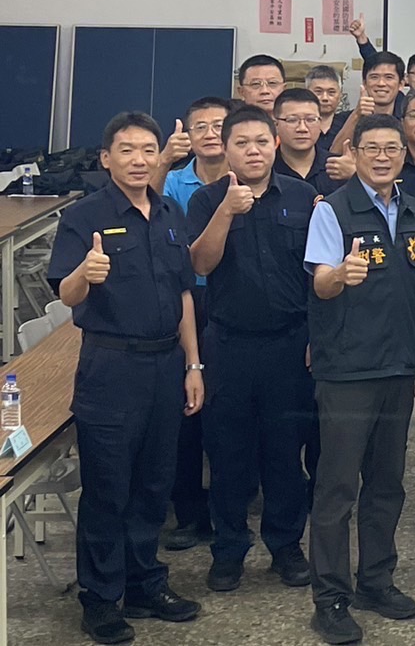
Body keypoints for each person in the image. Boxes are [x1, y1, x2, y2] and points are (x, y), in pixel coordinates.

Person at [48, 111, 204, 645]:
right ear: (106, 158)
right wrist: (83, 275)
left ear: (160, 155)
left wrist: (193, 364)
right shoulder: (84, 216)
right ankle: (100, 598)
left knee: (154, 484)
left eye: (148, 150)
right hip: (111, 367)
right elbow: (65, 295)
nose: (139, 160)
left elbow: (183, 293)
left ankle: (143, 584)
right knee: (108, 489)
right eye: (127, 150)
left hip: (166, 365)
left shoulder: (169, 212)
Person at [303, 113, 415, 644]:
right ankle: (330, 598)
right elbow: (320, 283)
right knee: (337, 488)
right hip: (348, 370)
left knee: (387, 484)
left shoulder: (413, 208)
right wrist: (340, 275)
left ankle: (376, 581)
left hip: (399, 367)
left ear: (403, 155)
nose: (383, 157)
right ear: (353, 154)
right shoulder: (332, 210)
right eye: (372, 148)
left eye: (392, 149)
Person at [186, 106, 316, 593]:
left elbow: (318, 273)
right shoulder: (206, 200)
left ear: (275, 144)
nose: (253, 151)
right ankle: (229, 551)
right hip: (229, 345)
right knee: (228, 455)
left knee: (285, 453)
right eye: (242, 143)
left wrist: (315, 338)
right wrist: (226, 211)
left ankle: (286, 547)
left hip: (290, 345)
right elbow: (200, 263)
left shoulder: (304, 197)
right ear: (226, 148)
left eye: (262, 141)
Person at [159, 95, 231, 553]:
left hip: (230, 298)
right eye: (199, 126)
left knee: (226, 410)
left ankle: (229, 509)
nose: (209, 133)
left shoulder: (246, 179)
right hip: (184, 298)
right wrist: (164, 159)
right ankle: (189, 513)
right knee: (185, 409)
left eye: (218, 125)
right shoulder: (173, 182)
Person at [273, 89, 336, 195]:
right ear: (276, 125)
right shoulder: (266, 170)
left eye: (310, 120)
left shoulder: (336, 167)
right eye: (292, 120)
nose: (302, 128)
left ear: (320, 123)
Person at [305, 65, 349, 153]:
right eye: (318, 92)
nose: (325, 98)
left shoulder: (348, 122)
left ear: (340, 95)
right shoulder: (299, 124)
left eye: (331, 92)